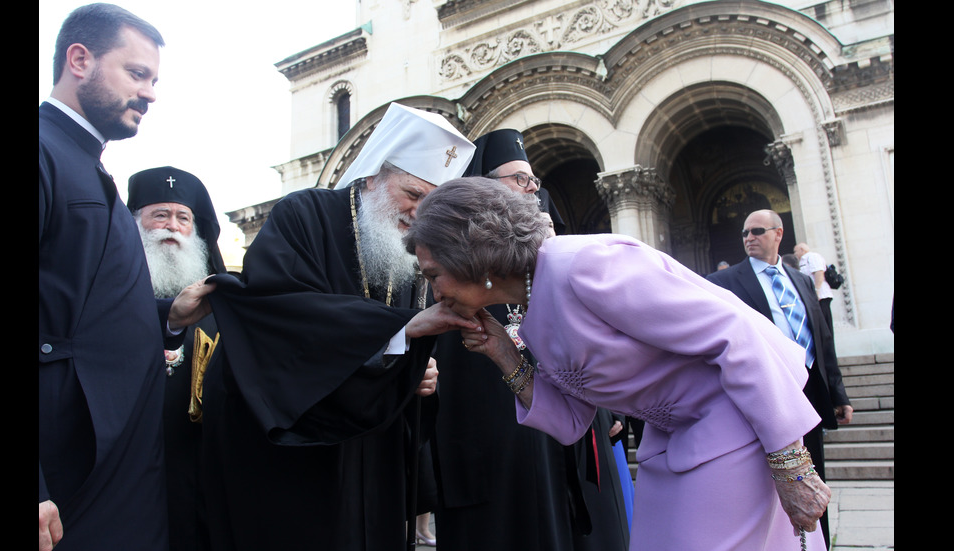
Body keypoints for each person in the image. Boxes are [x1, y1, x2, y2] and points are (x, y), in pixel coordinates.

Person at [404, 178, 832, 550]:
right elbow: (571, 422)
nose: (434, 291)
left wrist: (791, 466)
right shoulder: (531, 307)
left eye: (432, 274)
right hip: (672, 445)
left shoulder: (586, 266)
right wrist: (503, 354)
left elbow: (737, 335)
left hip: (736, 429)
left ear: (471, 254)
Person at [199, 102, 480, 551]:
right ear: (372, 176)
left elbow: (406, 343)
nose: (419, 213)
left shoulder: (414, 255)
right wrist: (401, 333)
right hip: (293, 453)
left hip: (375, 449)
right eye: (413, 194)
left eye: (433, 204)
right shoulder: (303, 216)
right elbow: (281, 318)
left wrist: (413, 372)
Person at [40, 5, 214, 550]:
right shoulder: (46, 153)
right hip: (70, 472)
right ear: (79, 59)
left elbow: (80, 304)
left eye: (155, 79)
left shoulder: (90, 167)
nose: (151, 93)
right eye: (136, 74)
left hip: (119, 473)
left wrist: (167, 317)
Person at [428, 128, 629, 551]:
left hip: (567, 436)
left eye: (534, 179)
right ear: (484, 186)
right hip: (499, 455)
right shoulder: (454, 269)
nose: (533, 188)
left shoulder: (559, 254)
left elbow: (588, 340)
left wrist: (606, 403)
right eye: (520, 178)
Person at [707, 210, 853, 548]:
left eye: (757, 231)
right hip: (766, 396)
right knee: (767, 488)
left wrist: (838, 393)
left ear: (778, 233)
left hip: (810, 394)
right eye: (745, 233)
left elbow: (822, 338)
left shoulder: (800, 280)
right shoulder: (724, 281)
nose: (749, 238)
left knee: (814, 479)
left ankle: (818, 544)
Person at [128, 166, 228, 551]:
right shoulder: (108, 294)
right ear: (135, 224)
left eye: (182, 217)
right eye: (159, 215)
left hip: (201, 470)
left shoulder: (219, 309)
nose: (171, 226)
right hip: (130, 466)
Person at [794, 242, 835, 333]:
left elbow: (819, 272)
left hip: (821, 297)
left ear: (802, 250)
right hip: (813, 298)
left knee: (825, 327)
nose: (795, 254)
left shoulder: (812, 257)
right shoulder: (802, 261)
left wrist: (817, 291)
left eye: (795, 251)